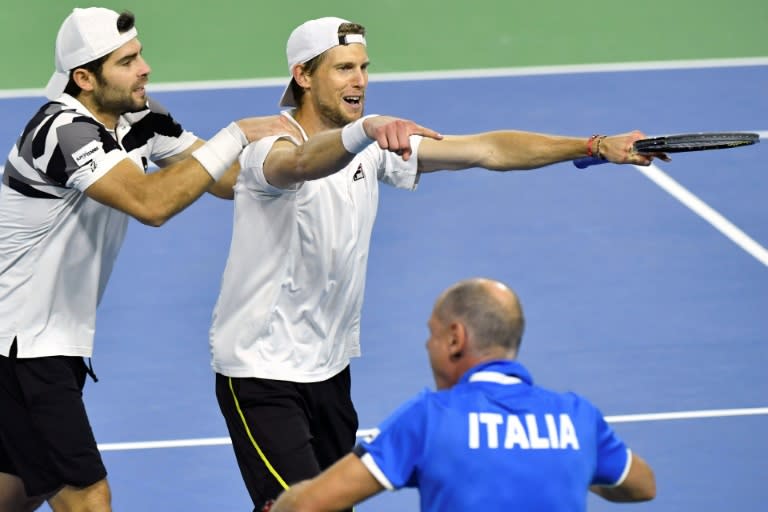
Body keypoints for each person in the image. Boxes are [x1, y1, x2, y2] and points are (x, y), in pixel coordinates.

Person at [209, 16, 668, 511]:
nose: (359, 80)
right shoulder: (268, 151)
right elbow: (301, 165)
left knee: (329, 503)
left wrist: (593, 146)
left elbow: (487, 149)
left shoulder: (370, 149)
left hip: (329, 366)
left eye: (363, 67)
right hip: (261, 369)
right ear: (303, 75)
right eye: (343, 68)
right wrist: (366, 129)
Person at [0, 7, 298, 512]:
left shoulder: (137, 117)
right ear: (84, 78)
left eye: (140, 55)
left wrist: (314, 156)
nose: (146, 68)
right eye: (128, 61)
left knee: (22, 487)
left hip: (49, 341)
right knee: (88, 497)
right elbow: (150, 204)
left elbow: (224, 180)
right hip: (19, 346)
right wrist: (236, 134)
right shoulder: (61, 130)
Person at [269, 277, 657, 512]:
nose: (428, 345)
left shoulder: (430, 419)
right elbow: (643, 485)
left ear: (456, 339)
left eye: (432, 333)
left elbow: (310, 505)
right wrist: (557, 460)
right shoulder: (578, 419)